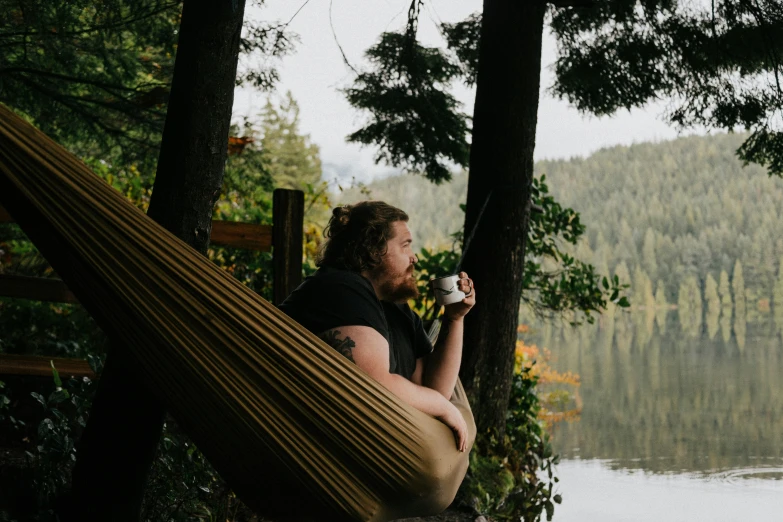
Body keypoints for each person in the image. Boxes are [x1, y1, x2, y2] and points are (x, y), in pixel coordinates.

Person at [279, 201, 475, 451]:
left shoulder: (396, 309)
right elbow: (375, 384)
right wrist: (444, 406)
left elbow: (434, 388)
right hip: (312, 445)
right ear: (373, 250)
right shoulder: (341, 288)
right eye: (405, 245)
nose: (413, 257)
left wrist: (455, 318)